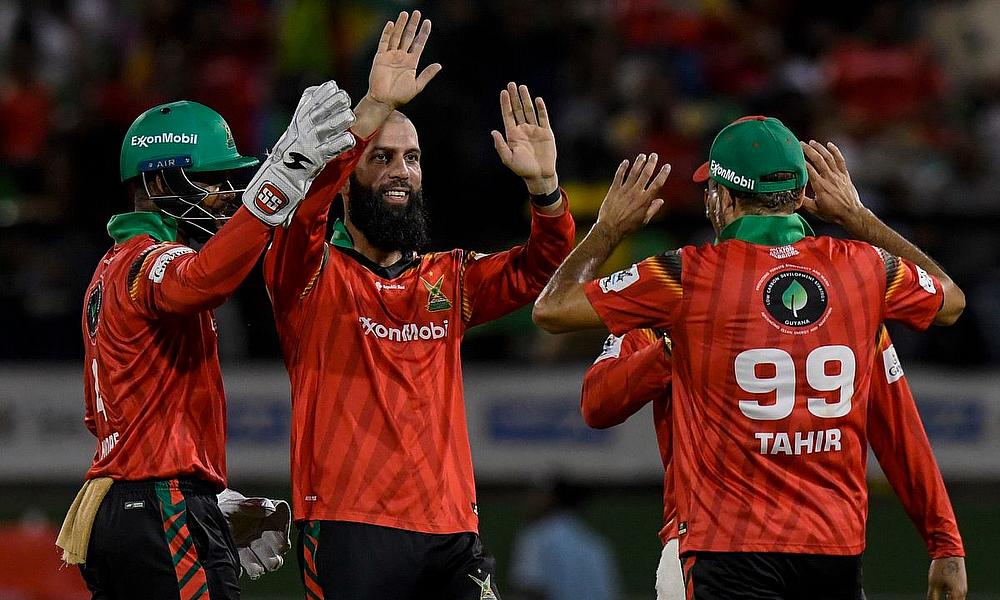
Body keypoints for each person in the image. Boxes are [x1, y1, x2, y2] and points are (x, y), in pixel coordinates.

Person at [532, 115, 966, 598]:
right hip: (834, 549)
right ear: (802, 195)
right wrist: (860, 218)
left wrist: (609, 228)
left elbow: (552, 309)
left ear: (722, 197)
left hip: (721, 545)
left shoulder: (682, 281)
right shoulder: (861, 275)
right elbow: (946, 308)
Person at [261, 11, 576, 598]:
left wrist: (545, 190)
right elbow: (302, 210)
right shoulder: (308, 278)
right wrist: (370, 114)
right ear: (348, 178)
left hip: (452, 530)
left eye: (412, 157)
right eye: (382, 158)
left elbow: (541, 265)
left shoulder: (448, 279)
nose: (401, 170)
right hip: (348, 526)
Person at [57, 76, 359, 598]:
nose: (222, 196)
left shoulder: (106, 273)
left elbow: (105, 415)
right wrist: (284, 175)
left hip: (123, 507)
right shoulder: (148, 260)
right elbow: (201, 281)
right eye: (209, 180)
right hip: (157, 505)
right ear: (155, 185)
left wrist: (207, 496)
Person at [581, 325, 966, 600]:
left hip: (822, 553)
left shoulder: (849, 294)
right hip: (714, 548)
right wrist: (672, 345)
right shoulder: (673, 302)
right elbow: (597, 403)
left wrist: (945, 541)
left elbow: (898, 430)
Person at [508, 480, 620, 600]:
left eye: (534, 494)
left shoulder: (537, 537)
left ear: (550, 498)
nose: (528, 500)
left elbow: (530, 589)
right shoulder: (595, 543)